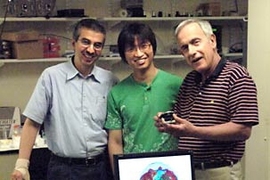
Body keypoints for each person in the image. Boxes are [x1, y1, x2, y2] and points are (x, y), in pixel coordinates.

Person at [11, 18, 118, 180]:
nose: (91, 49)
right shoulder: (51, 77)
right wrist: (22, 165)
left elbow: (114, 132)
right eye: (85, 42)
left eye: (97, 45)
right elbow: (32, 123)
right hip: (63, 170)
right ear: (73, 43)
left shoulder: (110, 80)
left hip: (100, 169)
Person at [154, 19, 259, 180]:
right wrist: (170, 126)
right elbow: (184, 126)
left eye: (196, 42)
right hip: (189, 170)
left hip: (220, 172)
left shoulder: (237, 76)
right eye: (184, 47)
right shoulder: (190, 80)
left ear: (212, 41)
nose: (191, 51)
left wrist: (194, 131)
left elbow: (243, 130)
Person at [104, 22, 183, 173]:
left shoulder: (176, 85)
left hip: (171, 167)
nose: (139, 53)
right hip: (135, 169)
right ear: (123, 54)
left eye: (144, 45)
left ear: (153, 47)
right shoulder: (117, 93)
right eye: (131, 48)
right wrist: (120, 174)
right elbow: (115, 141)